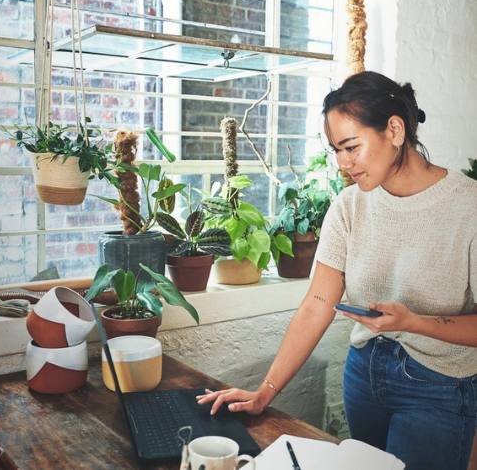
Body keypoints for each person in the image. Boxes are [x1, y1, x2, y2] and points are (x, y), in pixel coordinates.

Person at [197, 71, 477, 470]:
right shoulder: (349, 206)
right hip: (365, 376)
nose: (343, 164)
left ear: (395, 130)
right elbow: (316, 305)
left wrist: (414, 322)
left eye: (351, 147)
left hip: (440, 387)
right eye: (335, 150)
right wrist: (265, 392)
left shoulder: (468, 206)